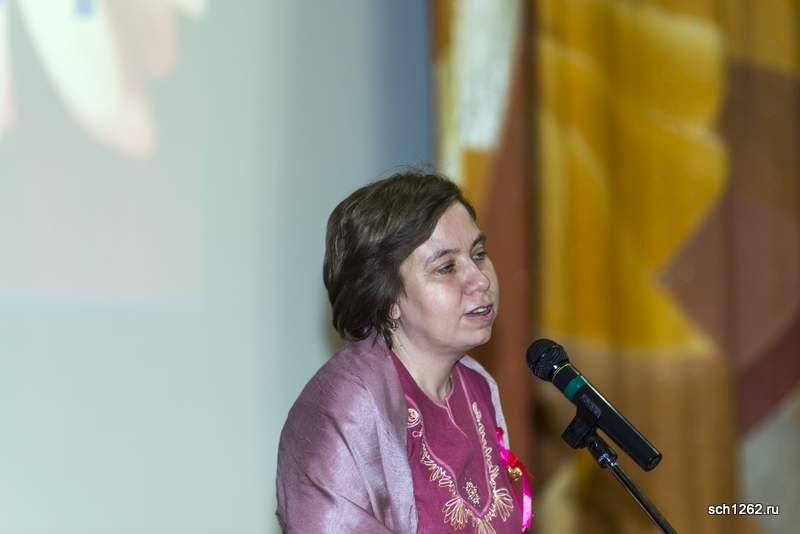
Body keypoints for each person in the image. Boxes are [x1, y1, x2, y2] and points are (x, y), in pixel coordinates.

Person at [276, 170, 530, 533]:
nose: (481, 279)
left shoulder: (476, 386)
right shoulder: (344, 406)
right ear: (388, 298)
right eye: (446, 267)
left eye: (478, 254)